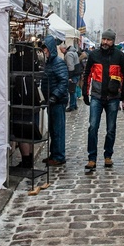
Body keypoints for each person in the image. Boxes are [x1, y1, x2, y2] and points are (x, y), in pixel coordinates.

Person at [82, 29, 124, 173]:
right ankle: (92, 158)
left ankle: (108, 155)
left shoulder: (119, 56)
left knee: (110, 129)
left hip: (113, 97)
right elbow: (87, 74)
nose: (105, 42)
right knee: (93, 127)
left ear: (113, 41)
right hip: (96, 96)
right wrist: (85, 92)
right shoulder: (94, 55)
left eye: (108, 40)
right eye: (104, 39)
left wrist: (123, 95)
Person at [42, 36, 69, 166]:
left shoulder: (57, 62)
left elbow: (63, 81)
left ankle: (59, 156)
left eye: (45, 48)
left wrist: (54, 96)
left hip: (57, 101)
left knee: (58, 129)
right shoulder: (50, 62)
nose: (44, 51)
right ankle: (54, 154)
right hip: (52, 100)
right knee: (53, 129)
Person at [61, 42, 82, 112]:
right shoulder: (73, 52)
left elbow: (71, 67)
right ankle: (74, 105)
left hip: (73, 74)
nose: (61, 51)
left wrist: (69, 77)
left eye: (61, 50)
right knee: (74, 90)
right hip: (76, 73)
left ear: (64, 49)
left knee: (72, 91)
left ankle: (72, 106)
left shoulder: (69, 54)